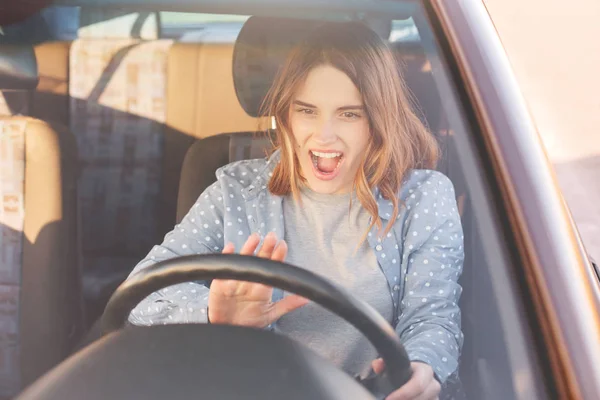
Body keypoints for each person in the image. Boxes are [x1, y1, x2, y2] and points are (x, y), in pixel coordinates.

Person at [127, 21, 464, 400]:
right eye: (307, 111)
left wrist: (421, 365)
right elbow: (141, 292)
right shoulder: (234, 192)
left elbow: (432, 315)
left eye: (350, 114)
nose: (324, 135)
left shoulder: (423, 197)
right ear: (285, 115)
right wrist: (212, 313)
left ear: (378, 120)